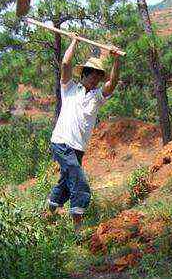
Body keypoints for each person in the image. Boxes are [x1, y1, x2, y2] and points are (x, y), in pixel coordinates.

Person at [46, 36, 120, 231]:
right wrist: (74, 41)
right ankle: (78, 227)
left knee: (65, 182)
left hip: (78, 148)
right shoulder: (69, 89)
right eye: (92, 75)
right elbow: (65, 63)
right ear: (84, 75)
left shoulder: (97, 97)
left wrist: (116, 59)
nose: (95, 79)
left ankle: (47, 216)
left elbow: (113, 83)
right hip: (61, 143)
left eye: (98, 76)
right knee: (78, 179)